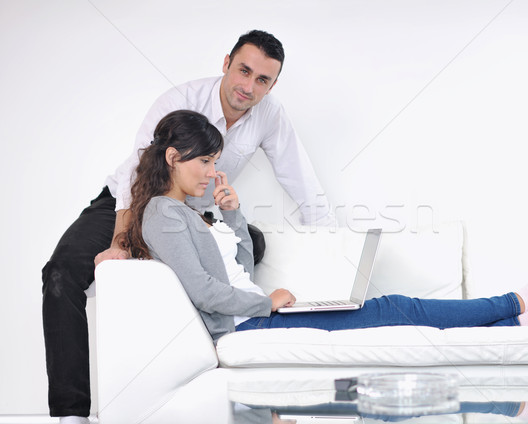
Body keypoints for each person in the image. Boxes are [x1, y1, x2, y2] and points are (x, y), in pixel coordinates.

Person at [42, 30, 333, 422]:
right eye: (243, 71)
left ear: (273, 84)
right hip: (129, 202)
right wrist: (122, 241)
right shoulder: (180, 101)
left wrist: (335, 245)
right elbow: (135, 175)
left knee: (256, 243)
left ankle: (219, 337)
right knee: (60, 274)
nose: (248, 86)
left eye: (262, 80)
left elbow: (302, 181)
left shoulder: (270, 114)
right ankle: (71, 413)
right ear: (226, 62)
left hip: (195, 211)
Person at [122, 110, 528, 346]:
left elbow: (239, 268)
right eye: (205, 161)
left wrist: (234, 215)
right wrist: (265, 304)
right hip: (246, 326)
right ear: (172, 158)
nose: (212, 172)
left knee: (395, 311)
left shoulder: (194, 211)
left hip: (255, 316)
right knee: (397, 308)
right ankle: (515, 302)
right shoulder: (162, 214)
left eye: (215, 161)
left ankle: (516, 323)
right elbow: (203, 292)